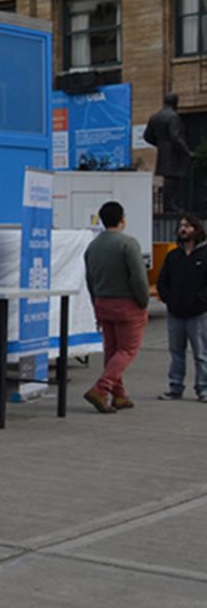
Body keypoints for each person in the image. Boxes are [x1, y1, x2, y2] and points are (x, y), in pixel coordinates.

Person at [83, 201, 150, 413]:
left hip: (103, 302)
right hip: (127, 304)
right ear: (122, 219)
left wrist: (96, 301)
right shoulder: (128, 244)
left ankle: (119, 395)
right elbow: (138, 277)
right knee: (127, 350)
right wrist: (143, 301)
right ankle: (101, 389)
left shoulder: (92, 246)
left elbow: (89, 278)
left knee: (112, 351)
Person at [155, 214, 207, 401]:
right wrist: (170, 299)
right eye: (181, 226)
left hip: (198, 314)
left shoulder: (204, 254)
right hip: (175, 313)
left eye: (188, 226)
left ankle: (203, 389)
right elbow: (162, 281)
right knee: (176, 353)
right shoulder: (173, 256)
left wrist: (199, 301)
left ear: (197, 229)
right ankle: (175, 387)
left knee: (201, 354)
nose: (183, 229)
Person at [143, 94, 191, 213]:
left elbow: (146, 136)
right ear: (175, 102)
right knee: (174, 178)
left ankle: (169, 204)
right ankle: (172, 205)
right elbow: (176, 137)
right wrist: (187, 151)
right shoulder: (173, 117)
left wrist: (160, 143)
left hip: (162, 150)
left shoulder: (155, 117)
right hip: (173, 152)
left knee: (168, 177)